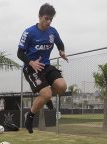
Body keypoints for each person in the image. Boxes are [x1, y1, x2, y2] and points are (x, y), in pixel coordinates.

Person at [17, 3, 68, 133]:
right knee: (46, 93)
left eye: (51, 19)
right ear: (39, 17)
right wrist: (31, 63)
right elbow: (20, 53)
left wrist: (61, 51)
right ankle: (30, 116)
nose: (49, 21)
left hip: (45, 66)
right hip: (31, 68)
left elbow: (60, 43)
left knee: (62, 86)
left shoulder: (53, 31)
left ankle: (47, 98)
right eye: (46, 18)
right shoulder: (29, 32)